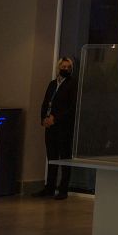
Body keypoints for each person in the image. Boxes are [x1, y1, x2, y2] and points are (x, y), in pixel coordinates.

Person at [36, 55, 77, 199]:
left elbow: (72, 107)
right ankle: (50, 187)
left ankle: (63, 189)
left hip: (63, 127)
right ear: (58, 68)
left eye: (68, 67)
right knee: (52, 157)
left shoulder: (72, 84)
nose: (65, 69)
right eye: (63, 67)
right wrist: (43, 119)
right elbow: (45, 102)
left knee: (64, 158)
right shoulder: (52, 84)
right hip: (50, 126)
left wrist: (56, 118)